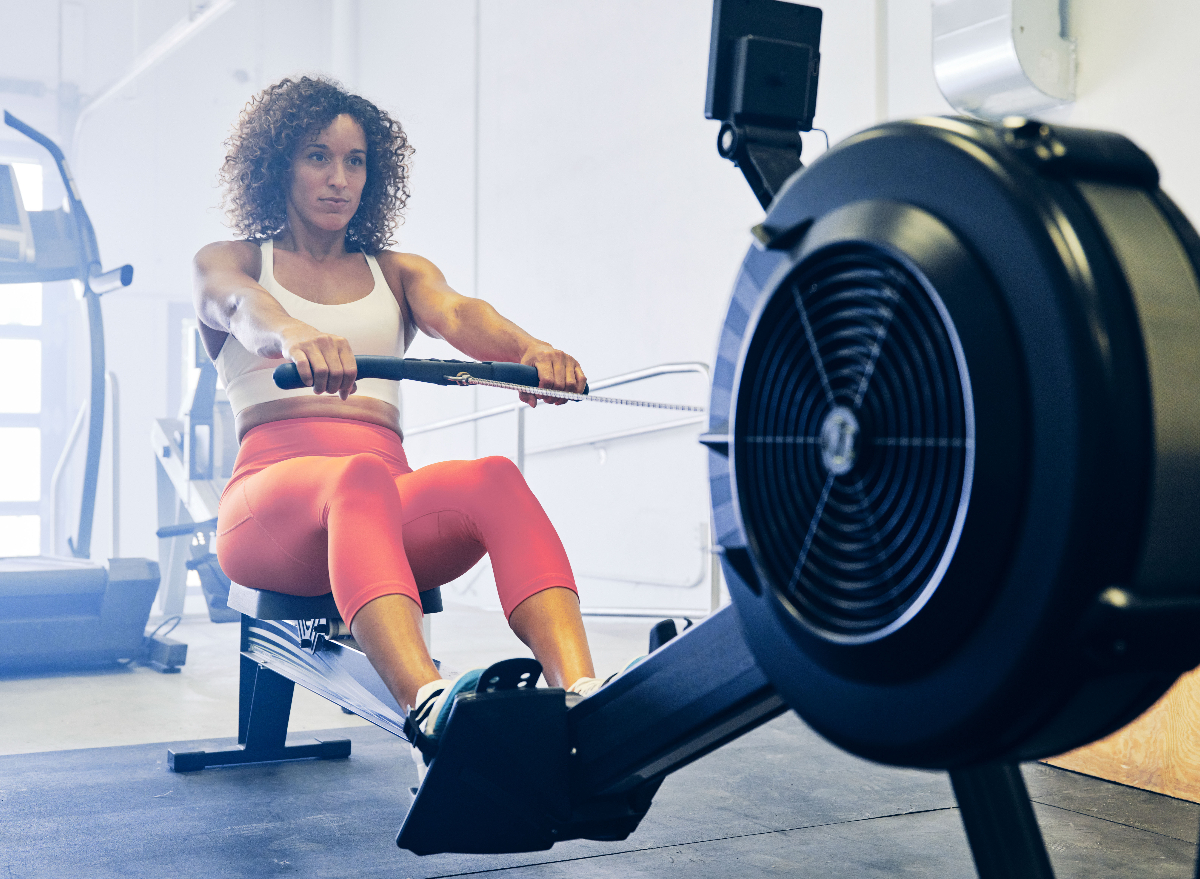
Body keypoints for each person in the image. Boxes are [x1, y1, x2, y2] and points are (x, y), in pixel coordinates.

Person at [194, 76, 605, 780]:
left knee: (492, 478)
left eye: (356, 162)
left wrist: (530, 351)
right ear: (278, 166)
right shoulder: (233, 260)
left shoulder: (396, 271)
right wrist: (294, 334)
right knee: (357, 477)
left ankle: (585, 697)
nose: (339, 178)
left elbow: (460, 313)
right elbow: (239, 308)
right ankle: (428, 703)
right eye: (318, 157)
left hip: (381, 506)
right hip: (269, 511)